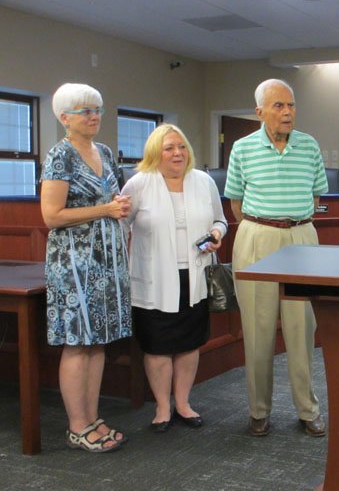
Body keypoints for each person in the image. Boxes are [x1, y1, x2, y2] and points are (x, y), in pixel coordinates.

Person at [224, 78, 328, 437]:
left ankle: (307, 409)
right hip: (257, 237)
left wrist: (291, 224)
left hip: (301, 235)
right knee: (258, 328)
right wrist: (265, 227)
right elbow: (236, 203)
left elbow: (316, 198)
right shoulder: (242, 148)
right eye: (279, 106)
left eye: (291, 105)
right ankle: (259, 411)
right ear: (260, 112)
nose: (287, 112)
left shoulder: (310, 146)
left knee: (302, 329)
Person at [40, 83, 132, 453]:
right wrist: (105, 210)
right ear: (65, 118)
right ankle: (77, 426)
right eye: (85, 111)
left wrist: (119, 207)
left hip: (107, 261)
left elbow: (113, 197)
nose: (94, 116)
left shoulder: (105, 151)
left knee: (97, 344)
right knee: (78, 344)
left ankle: (92, 418)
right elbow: (52, 216)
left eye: (97, 109)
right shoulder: (59, 155)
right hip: (74, 263)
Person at [120, 124, 227, 432]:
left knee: (189, 344)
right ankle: (162, 408)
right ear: (156, 152)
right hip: (153, 277)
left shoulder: (203, 182)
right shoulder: (139, 184)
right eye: (169, 148)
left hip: (193, 276)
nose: (177, 153)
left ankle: (183, 403)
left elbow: (220, 219)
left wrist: (217, 233)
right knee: (157, 346)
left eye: (181, 147)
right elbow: (121, 225)